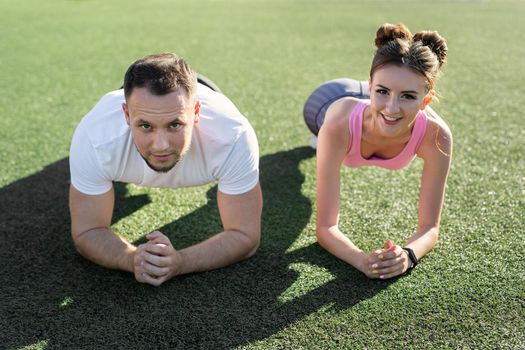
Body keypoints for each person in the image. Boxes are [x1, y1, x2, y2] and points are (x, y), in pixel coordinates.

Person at [69, 53, 262, 286]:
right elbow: (87, 231)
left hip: (206, 91)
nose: (161, 145)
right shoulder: (94, 137)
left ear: (196, 113)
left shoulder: (233, 136)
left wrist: (181, 262)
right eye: (145, 126)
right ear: (127, 116)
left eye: (175, 125)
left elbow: (245, 236)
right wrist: (131, 259)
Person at [304, 23, 452, 279]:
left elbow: (430, 227)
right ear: (370, 86)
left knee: (390, 101)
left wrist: (408, 255)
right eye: (382, 91)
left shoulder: (436, 136)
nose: (393, 108)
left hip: (376, 99)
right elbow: (326, 227)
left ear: (425, 101)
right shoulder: (340, 123)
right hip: (328, 101)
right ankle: (383, 92)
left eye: (408, 96)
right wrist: (361, 260)